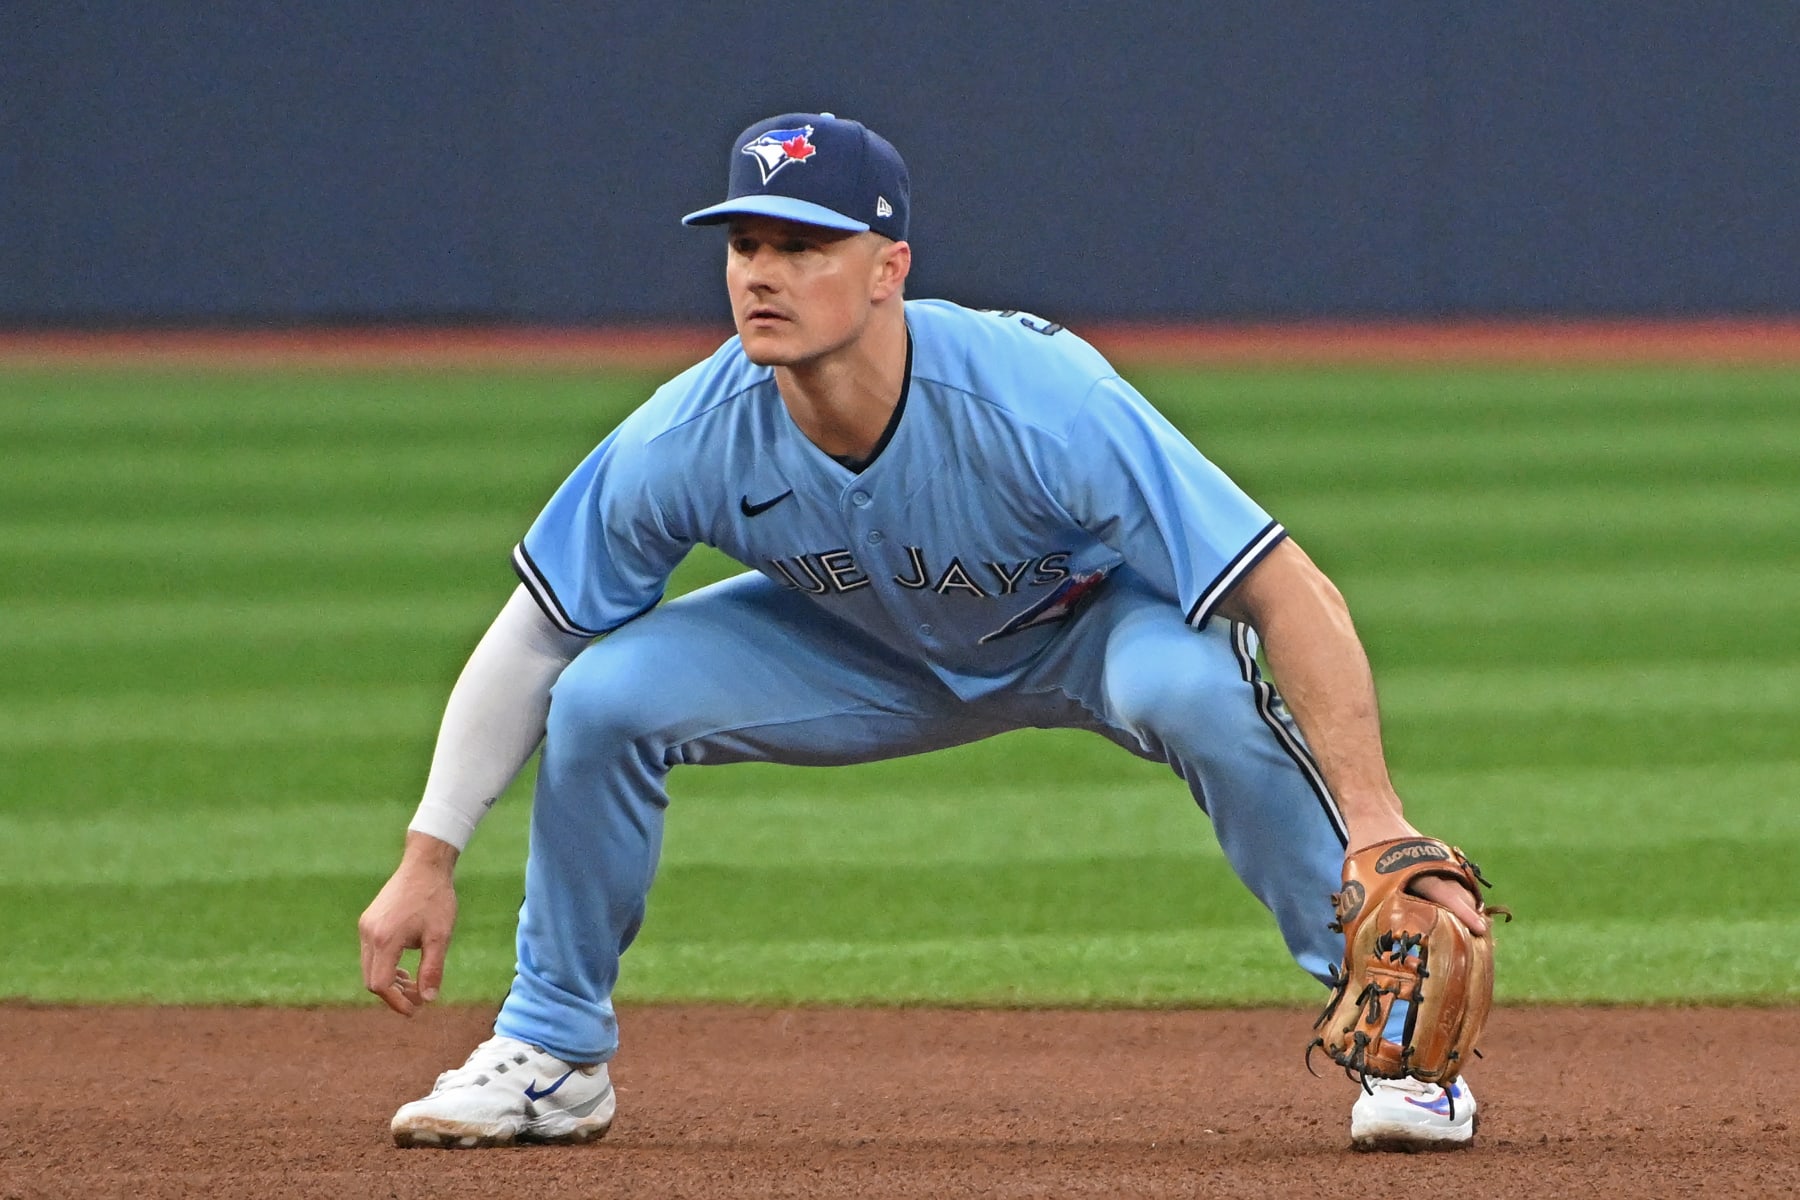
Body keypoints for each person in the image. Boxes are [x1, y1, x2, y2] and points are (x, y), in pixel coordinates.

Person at [358, 111, 1491, 1153]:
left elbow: (1289, 591)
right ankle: (554, 1053)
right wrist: (427, 858)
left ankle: (1403, 1050)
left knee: (1199, 695)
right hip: (860, 647)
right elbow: (535, 634)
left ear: (889, 268)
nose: (763, 274)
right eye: (745, 245)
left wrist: (1375, 819)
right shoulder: (685, 437)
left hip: (1088, 628)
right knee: (604, 699)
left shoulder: (1041, 397)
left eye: (805, 247)